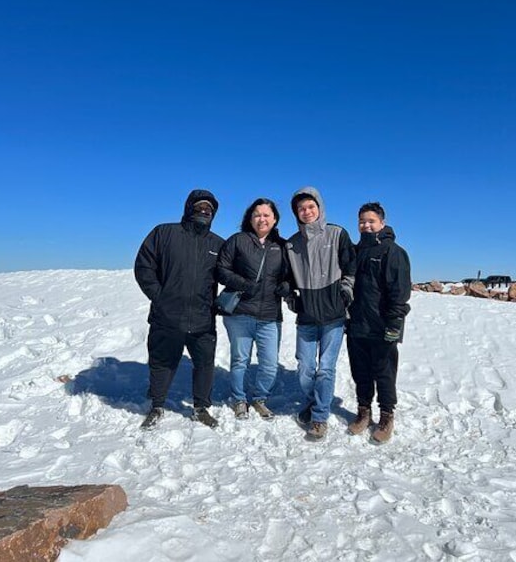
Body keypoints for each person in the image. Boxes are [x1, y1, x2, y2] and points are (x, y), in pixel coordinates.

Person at [133, 189, 225, 430]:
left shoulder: (217, 244)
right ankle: (157, 405)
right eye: (200, 206)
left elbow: (236, 273)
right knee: (162, 362)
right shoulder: (164, 233)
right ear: (188, 208)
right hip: (167, 317)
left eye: (209, 208)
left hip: (203, 318)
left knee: (205, 365)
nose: (204, 211)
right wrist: (159, 297)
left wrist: (227, 299)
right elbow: (144, 266)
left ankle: (201, 408)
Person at [284, 186, 356, 440]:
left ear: (319, 207)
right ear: (296, 212)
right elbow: (285, 278)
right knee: (305, 368)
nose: (307, 212)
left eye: (311, 207)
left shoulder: (337, 234)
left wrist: (345, 293)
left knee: (326, 368)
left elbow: (351, 269)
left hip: (334, 317)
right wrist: (290, 296)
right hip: (306, 316)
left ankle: (320, 417)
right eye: (301, 208)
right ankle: (314, 400)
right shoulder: (291, 244)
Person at [216, 198, 290, 421]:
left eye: (267, 214)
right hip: (240, 313)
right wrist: (243, 283)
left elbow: (290, 275)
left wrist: (287, 285)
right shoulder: (238, 241)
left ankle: (259, 399)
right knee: (240, 360)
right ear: (250, 218)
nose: (262, 219)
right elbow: (221, 269)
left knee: (269, 365)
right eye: (257, 214)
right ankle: (239, 399)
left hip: (269, 316)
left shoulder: (282, 246)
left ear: (275, 219)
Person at [346, 201, 411, 444]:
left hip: (383, 326)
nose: (366, 225)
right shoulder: (355, 251)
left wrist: (394, 324)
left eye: (371, 221)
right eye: (362, 221)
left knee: (384, 373)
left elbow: (399, 293)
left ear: (382, 223)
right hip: (357, 325)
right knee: (360, 372)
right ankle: (363, 413)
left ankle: (386, 416)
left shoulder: (393, 252)